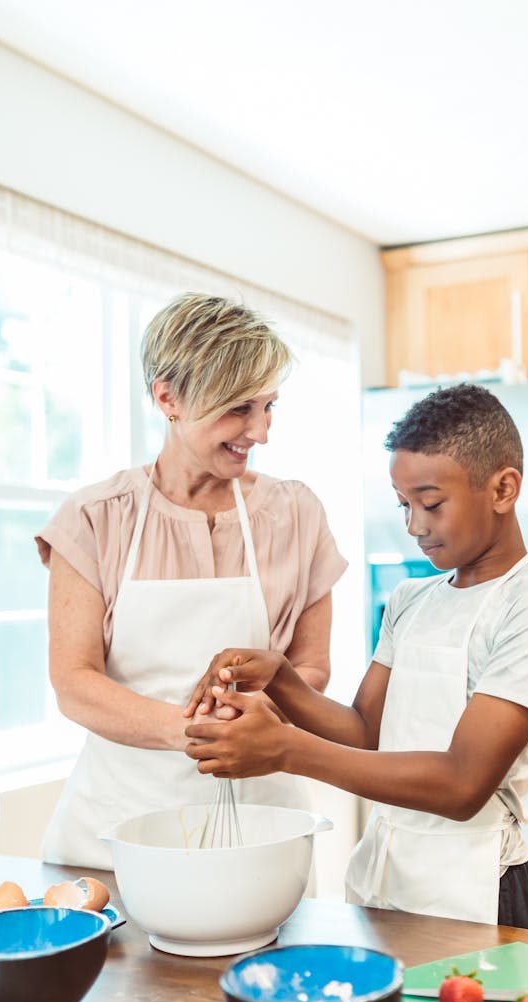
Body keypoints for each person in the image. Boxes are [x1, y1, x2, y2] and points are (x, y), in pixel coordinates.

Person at [183, 383, 528, 928]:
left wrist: (286, 751)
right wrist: (283, 681)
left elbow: (463, 785)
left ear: (504, 488)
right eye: (404, 505)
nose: (414, 526)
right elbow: (369, 732)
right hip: (389, 880)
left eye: (432, 504)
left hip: (480, 890)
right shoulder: (411, 600)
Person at [35, 292, 347, 869]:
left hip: (263, 830)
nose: (261, 431)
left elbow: (312, 667)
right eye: (238, 409)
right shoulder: (96, 517)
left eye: (269, 406)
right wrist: (193, 732)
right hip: (115, 837)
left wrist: (262, 720)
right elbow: (74, 681)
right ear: (167, 397)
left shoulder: (297, 513)